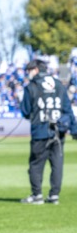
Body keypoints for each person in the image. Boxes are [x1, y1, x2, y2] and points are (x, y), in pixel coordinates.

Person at [19, 59, 77, 205]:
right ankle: (54, 195)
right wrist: (74, 129)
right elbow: (67, 110)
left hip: (40, 131)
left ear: (36, 70)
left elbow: (25, 111)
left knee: (36, 164)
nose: (28, 74)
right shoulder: (59, 85)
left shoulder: (31, 86)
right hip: (59, 131)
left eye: (29, 70)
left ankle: (37, 195)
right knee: (57, 164)